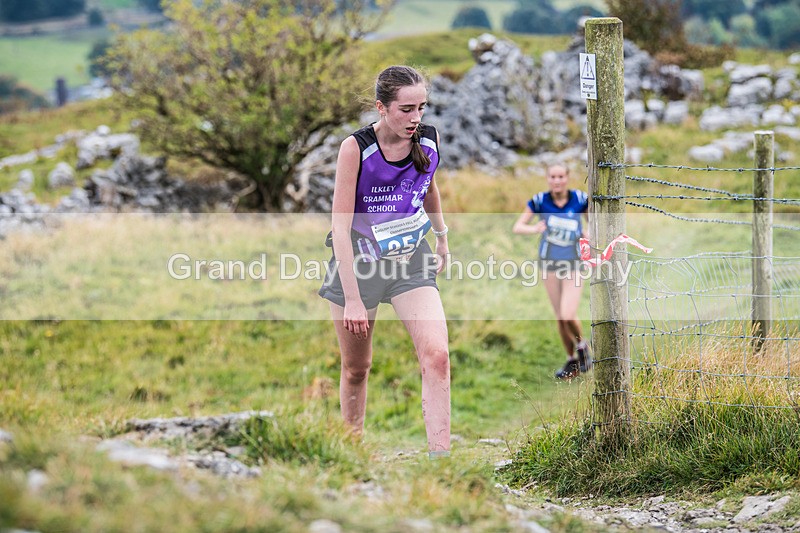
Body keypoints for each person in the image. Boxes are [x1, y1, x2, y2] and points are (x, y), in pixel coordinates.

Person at [319, 65, 451, 458]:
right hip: (358, 264)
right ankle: (353, 451)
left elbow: (426, 186)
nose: (416, 118)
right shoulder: (355, 148)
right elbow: (340, 229)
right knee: (357, 367)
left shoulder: (428, 140)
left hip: (410, 261)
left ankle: (440, 461)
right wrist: (355, 299)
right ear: (381, 107)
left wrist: (442, 237)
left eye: (421, 108)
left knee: (437, 356)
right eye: (406, 109)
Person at [512, 164, 592, 380]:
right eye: (553, 177)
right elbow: (518, 226)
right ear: (548, 179)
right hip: (548, 265)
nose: (557, 181)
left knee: (567, 314)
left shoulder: (579, 198)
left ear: (567, 178)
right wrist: (535, 228)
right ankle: (571, 360)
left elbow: (594, 222)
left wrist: (587, 234)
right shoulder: (540, 201)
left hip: (573, 264)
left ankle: (583, 346)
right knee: (559, 318)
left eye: (560, 176)